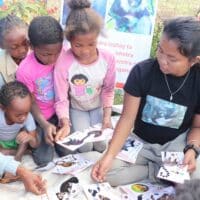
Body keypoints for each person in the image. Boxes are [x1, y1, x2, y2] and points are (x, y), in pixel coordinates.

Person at [91, 17, 200, 186]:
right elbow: (127, 119)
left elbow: (197, 127)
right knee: (104, 173)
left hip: (175, 144)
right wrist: (109, 156)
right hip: (140, 142)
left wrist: (192, 150)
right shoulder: (142, 72)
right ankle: (156, 172)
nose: (163, 60)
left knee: (194, 183)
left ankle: (155, 171)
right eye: (160, 50)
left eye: (172, 59)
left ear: (193, 60)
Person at [54, 0, 116, 154]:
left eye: (91, 44)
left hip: (97, 107)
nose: (85, 51)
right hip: (77, 109)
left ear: (98, 38)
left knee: (101, 145)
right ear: (70, 40)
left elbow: (108, 90)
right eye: (78, 45)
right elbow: (61, 98)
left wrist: (107, 118)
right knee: (85, 147)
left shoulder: (108, 58)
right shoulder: (64, 61)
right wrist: (65, 123)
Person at [16, 16, 66, 166]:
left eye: (57, 52)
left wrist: (65, 120)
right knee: (44, 160)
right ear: (31, 46)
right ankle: (31, 140)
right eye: (46, 54)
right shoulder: (25, 70)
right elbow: (30, 102)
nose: (53, 58)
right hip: (40, 118)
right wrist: (44, 125)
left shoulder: (65, 53)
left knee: (69, 150)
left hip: (61, 111)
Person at [0, 81, 38, 162]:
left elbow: (35, 144)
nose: (23, 118)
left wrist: (30, 138)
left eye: (26, 112)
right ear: (3, 108)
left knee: (24, 133)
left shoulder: (28, 117)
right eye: (18, 115)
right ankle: (9, 152)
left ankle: (18, 157)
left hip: (15, 141)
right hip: (1, 143)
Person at [0, 14, 29, 87]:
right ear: (2, 46)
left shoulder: (38, 52)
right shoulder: (1, 67)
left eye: (25, 43)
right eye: (14, 47)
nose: (22, 50)